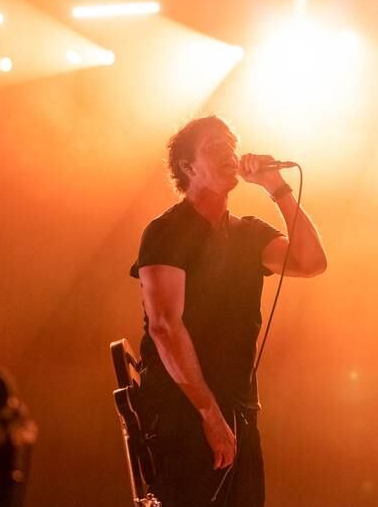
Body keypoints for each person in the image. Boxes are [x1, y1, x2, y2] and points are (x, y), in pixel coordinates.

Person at [129, 115, 327, 507]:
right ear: (188, 166)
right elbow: (165, 327)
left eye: (231, 145)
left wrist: (277, 187)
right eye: (214, 146)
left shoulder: (248, 234)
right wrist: (208, 412)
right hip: (183, 409)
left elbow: (311, 262)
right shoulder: (167, 231)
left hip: (237, 406)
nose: (229, 152)